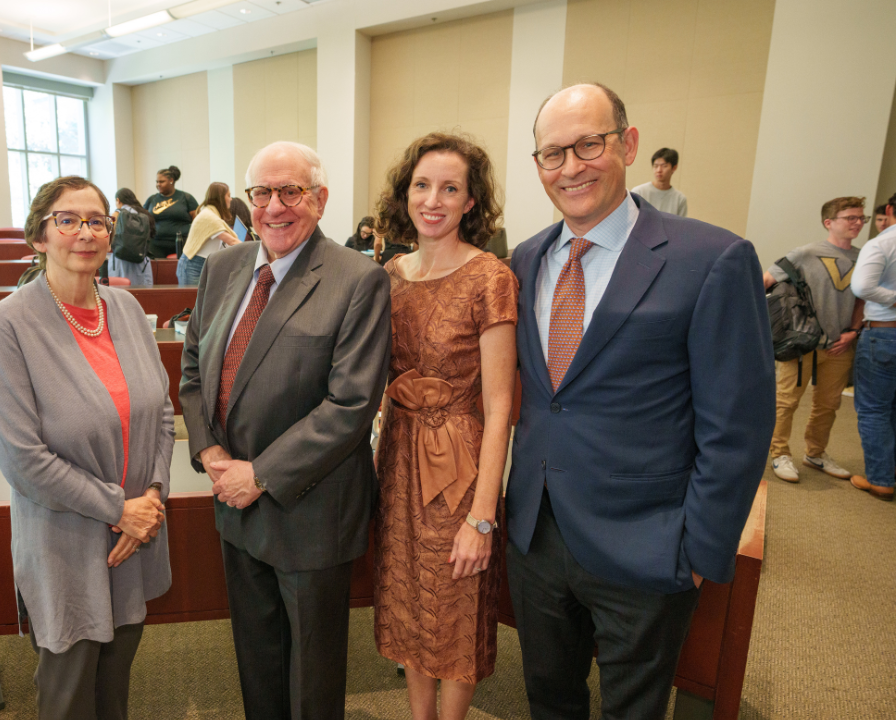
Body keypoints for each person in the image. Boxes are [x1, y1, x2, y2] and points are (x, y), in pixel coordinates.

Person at [507, 83, 773, 719]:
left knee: (634, 710)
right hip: (536, 537)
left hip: (648, 544)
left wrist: (701, 551)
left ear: (626, 145)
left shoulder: (711, 258)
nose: (570, 167)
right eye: (552, 154)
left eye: (588, 145)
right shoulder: (523, 261)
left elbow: (737, 424)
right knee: (549, 698)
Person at [178, 141, 391, 720]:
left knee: (311, 679)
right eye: (262, 193)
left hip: (310, 510)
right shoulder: (223, 267)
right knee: (256, 658)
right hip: (234, 501)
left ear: (319, 200)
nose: (275, 206)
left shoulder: (358, 280)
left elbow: (349, 404)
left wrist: (261, 474)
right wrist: (212, 452)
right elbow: (194, 368)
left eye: (291, 191)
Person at [0, 175, 174, 719]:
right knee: (67, 700)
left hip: (133, 538)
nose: (84, 232)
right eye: (67, 220)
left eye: (96, 221)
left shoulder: (128, 311)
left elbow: (161, 410)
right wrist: (121, 509)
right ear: (39, 236)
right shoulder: (9, 323)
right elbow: (22, 458)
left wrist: (152, 496)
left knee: (114, 692)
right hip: (66, 541)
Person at [371, 132, 517, 720]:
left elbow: (501, 404)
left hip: (459, 467)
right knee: (406, 602)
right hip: (399, 459)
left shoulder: (489, 276)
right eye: (422, 185)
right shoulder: (389, 274)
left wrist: (482, 517)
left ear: (470, 201)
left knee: (455, 604)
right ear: (406, 194)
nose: (433, 200)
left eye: (450, 188)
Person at [762, 197, 867, 483]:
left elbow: (862, 300)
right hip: (801, 342)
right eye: (851, 217)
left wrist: (853, 331)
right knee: (786, 401)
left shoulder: (864, 257)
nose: (858, 223)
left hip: (840, 344)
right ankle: (779, 452)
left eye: (861, 218)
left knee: (829, 404)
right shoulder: (806, 253)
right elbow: (766, 281)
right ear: (829, 222)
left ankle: (816, 453)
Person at [849, 192, 896, 500]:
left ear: (890, 210)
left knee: (874, 409)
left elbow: (862, 286)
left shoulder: (881, 243)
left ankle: (881, 479)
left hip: (883, 333)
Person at [179, 182, 240, 286]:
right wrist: (256, 249)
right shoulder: (209, 217)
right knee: (191, 300)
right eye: (228, 196)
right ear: (221, 198)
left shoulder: (211, 214)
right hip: (193, 265)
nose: (231, 199)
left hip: (201, 263)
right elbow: (232, 241)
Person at [144, 165, 198, 259]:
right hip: (156, 243)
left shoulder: (186, 198)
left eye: (162, 181)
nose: (158, 184)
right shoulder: (152, 199)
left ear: (171, 181)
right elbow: (142, 219)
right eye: (157, 182)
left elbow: (197, 221)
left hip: (181, 242)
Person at [109, 188, 155, 286]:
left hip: (120, 257)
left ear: (118, 200)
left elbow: (110, 235)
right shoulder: (144, 213)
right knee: (140, 288)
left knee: (120, 287)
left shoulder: (117, 214)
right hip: (140, 258)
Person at [630, 147, 688, 217]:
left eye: (664, 166)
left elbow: (680, 226)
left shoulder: (680, 199)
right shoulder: (638, 192)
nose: (659, 170)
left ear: (674, 168)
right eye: (656, 166)